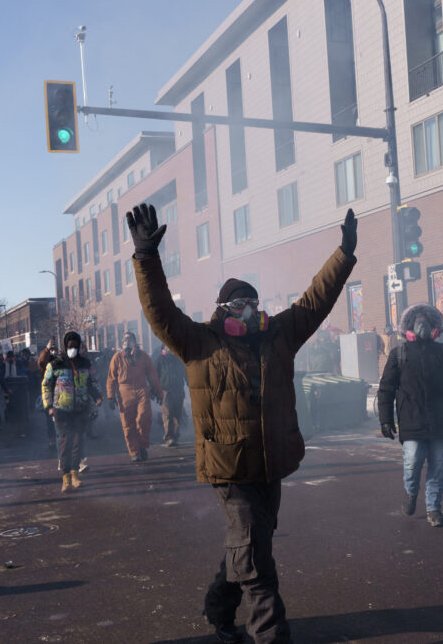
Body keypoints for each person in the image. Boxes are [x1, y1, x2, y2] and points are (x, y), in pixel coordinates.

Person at [130, 202, 357, 643]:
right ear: (222, 309)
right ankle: (271, 636)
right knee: (257, 566)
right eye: (238, 304)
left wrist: (343, 254)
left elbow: (315, 301)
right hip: (230, 469)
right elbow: (158, 311)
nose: (247, 311)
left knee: (249, 545)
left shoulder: (278, 335)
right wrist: (146, 258)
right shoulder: (198, 341)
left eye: (252, 303)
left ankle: (218, 607)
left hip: (270, 464)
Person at [377, 303, 443, 528]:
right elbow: (386, 389)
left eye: (426, 322)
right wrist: (385, 419)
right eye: (417, 322)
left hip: (440, 419)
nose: (422, 326)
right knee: (413, 460)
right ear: (408, 327)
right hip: (411, 418)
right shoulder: (399, 354)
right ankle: (411, 492)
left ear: (435, 328)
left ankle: (434, 509)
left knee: (438, 466)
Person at [41, 330, 102, 492]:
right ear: (65, 346)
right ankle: (65, 477)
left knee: (78, 442)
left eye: (76, 345)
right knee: (65, 443)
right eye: (70, 346)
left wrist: (97, 396)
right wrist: (49, 405)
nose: (73, 349)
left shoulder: (86, 364)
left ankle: (75, 475)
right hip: (61, 409)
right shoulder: (55, 364)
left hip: (80, 409)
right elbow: (46, 385)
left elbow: (92, 383)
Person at [106, 332, 163, 462]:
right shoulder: (117, 357)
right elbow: (111, 378)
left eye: (130, 339)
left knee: (144, 419)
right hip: (124, 392)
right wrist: (110, 396)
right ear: (122, 341)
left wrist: (159, 392)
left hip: (142, 390)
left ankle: (142, 446)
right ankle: (134, 451)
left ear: (135, 341)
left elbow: (153, 375)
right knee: (128, 424)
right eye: (125, 339)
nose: (127, 341)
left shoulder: (143, 356)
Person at [154, 345, 188, 446]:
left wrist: (190, 383)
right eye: (166, 347)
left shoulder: (178, 360)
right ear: (163, 349)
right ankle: (169, 437)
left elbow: (185, 374)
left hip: (178, 390)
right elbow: (154, 375)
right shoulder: (160, 359)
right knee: (167, 414)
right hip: (165, 391)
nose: (169, 348)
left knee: (177, 415)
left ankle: (175, 436)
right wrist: (154, 389)